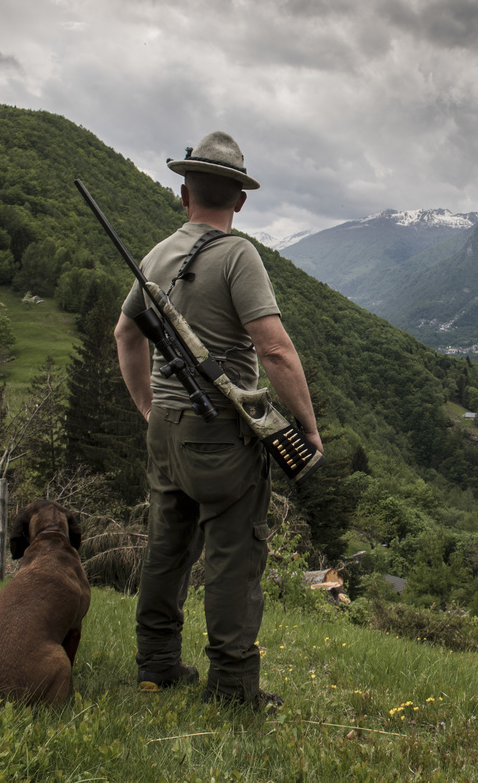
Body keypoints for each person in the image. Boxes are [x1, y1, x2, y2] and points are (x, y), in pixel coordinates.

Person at [114, 130, 322, 709]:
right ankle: (232, 686)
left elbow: (125, 333)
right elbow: (275, 350)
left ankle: (155, 664)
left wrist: (148, 408)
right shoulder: (238, 255)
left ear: (184, 195)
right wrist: (305, 428)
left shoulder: (156, 255)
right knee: (232, 558)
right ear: (240, 200)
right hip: (222, 435)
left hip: (166, 432)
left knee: (165, 547)